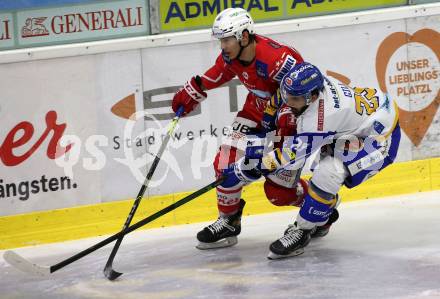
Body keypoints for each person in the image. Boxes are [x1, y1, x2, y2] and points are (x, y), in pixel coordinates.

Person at [224, 62, 401, 259]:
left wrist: (249, 167)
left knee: (328, 173)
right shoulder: (304, 89)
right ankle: (323, 211)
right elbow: (279, 100)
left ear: (313, 97)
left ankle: (302, 230)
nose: (288, 101)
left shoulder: (321, 118)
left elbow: (290, 157)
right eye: (287, 95)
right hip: (354, 125)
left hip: (380, 136)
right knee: (324, 178)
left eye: (295, 99)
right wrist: (265, 127)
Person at [171, 8, 310, 250]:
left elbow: (305, 92)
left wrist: (279, 135)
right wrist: (196, 87)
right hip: (255, 113)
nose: (222, 46)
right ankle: (229, 221)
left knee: (279, 193)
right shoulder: (230, 56)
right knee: (224, 165)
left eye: (226, 40)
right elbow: (220, 73)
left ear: (244, 36)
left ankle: (319, 207)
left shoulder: (278, 59)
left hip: (288, 121)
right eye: (221, 40)